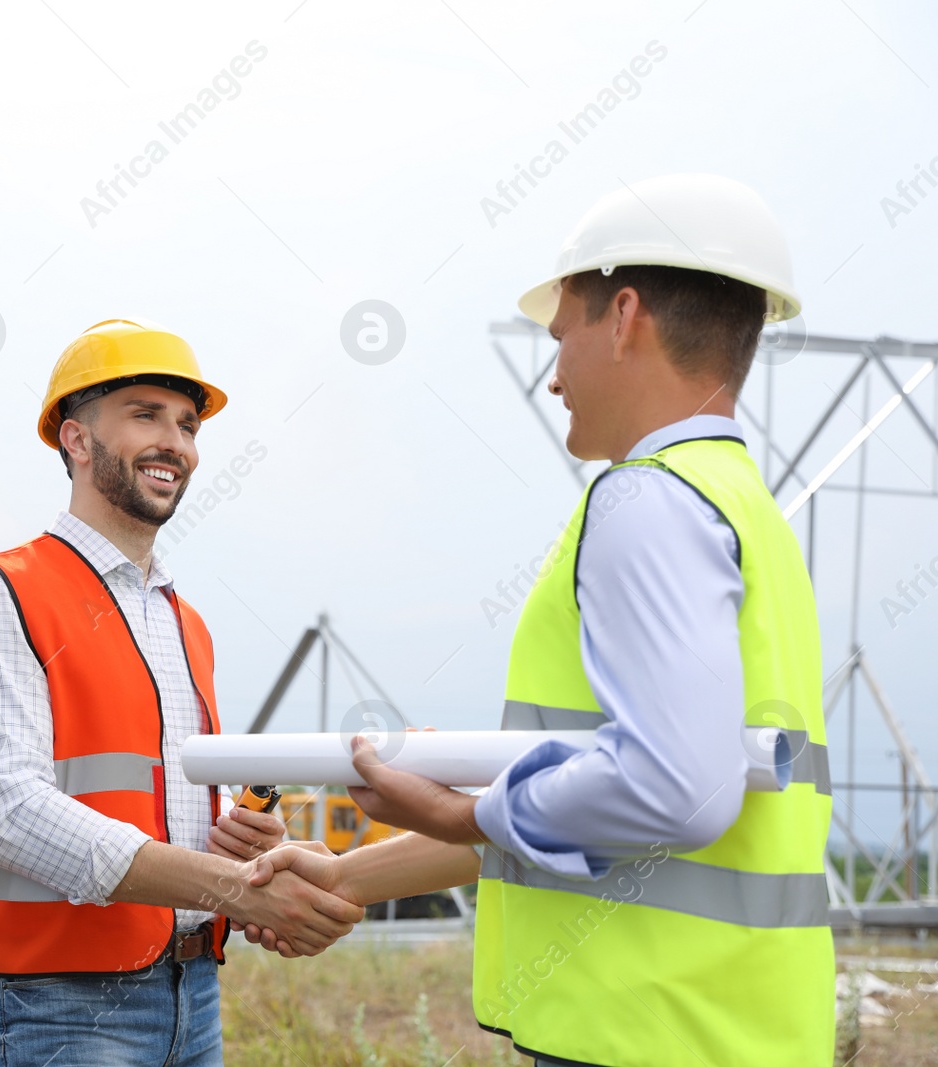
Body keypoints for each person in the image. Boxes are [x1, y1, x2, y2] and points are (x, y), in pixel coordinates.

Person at [248, 174, 834, 1066]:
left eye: (561, 336)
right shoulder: (745, 511)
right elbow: (578, 812)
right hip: (731, 1029)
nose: (553, 374)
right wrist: (350, 872)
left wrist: (467, 815)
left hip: (642, 1032)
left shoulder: (649, 501)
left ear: (625, 315)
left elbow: (677, 788)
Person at [0, 319, 364, 1067]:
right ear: (74, 439)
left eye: (188, 425)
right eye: (145, 414)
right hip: (58, 1003)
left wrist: (235, 834)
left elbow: (147, 798)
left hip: (192, 991)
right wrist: (235, 885)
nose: (177, 442)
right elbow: (9, 813)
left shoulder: (182, 620)